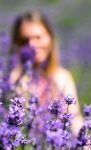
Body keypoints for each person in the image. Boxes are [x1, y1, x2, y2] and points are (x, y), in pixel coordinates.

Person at [9, 9, 83, 137]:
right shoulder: (14, 79)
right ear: (17, 45)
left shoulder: (62, 77)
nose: (32, 44)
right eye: (25, 40)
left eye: (38, 37)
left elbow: (76, 121)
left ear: (50, 38)